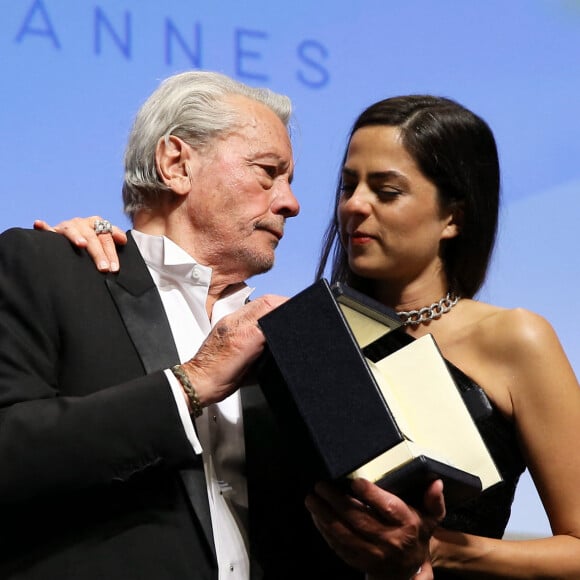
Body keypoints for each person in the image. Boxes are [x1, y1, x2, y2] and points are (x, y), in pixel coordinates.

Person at [47, 93, 580, 579]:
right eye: (348, 185)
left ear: (453, 217)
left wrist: (439, 550)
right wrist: (93, 243)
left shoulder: (515, 338)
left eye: (386, 190)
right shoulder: (296, 331)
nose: (353, 205)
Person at [0, 70, 381, 580]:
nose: (291, 202)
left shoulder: (293, 337)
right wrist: (192, 381)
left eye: (289, 182)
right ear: (177, 163)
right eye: (269, 172)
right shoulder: (49, 268)